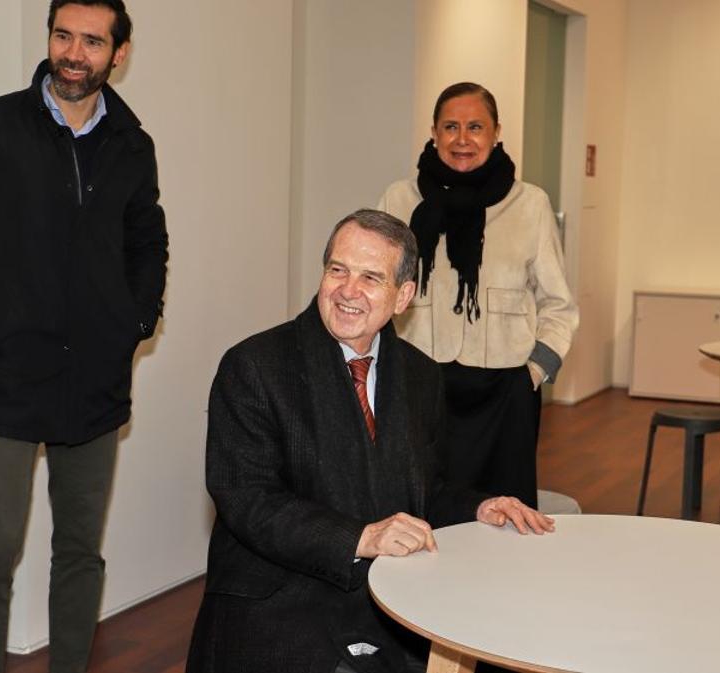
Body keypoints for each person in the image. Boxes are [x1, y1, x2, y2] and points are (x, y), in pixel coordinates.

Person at [0, 1, 167, 671]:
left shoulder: (132, 144)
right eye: (63, 35)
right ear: (50, 38)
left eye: (92, 41)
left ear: (119, 53)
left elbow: (147, 240)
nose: (74, 53)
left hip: (96, 378)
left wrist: (137, 319)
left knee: (80, 550)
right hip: (6, 377)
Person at [186, 209, 553, 673]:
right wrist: (360, 538)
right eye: (337, 269)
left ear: (403, 296)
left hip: (389, 603)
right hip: (284, 604)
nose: (348, 290)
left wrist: (478, 508)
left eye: (370, 277)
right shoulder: (255, 366)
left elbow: (426, 491)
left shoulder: (421, 375)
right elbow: (248, 500)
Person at [378, 82, 579, 509]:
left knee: (506, 515)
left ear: (496, 132)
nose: (462, 139)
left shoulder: (530, 204)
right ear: (433, 132)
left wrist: (534, 373)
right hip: (419, 387)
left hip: (505, 392)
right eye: (451, 126)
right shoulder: (400, 200)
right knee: (419, 509)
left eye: (475, 127)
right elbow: (378, 288)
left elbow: (558, 302)